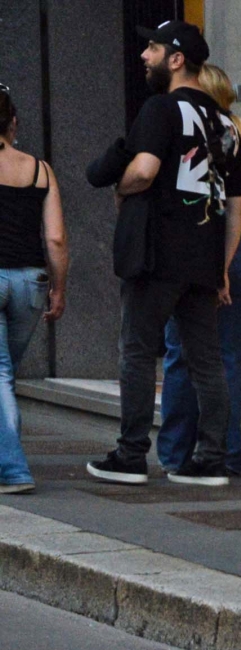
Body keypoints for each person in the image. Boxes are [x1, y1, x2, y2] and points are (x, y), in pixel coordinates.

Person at [89, 20, 241, 490]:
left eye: (152, 48)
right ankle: (211, 458)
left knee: (137, 350)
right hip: (203, 260)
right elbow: (236, 206)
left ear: (176, 59)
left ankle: (131, 454)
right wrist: (222, 267)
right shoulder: (227, 124)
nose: (144, 56)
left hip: (157, 255)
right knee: (206, 360)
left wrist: (122, 186)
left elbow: (143, 170)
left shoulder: (161, 109)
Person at [155, 64, 241, 481]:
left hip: (199, 252)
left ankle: (176, 452)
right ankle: (225, 454)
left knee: (181, 355)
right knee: (228, 359)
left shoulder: (189, 143)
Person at [0, 82, 66, 495]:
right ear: (14, 123)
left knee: (1, 373)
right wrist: (58, 289)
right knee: (6, 372)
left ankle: (13, 469)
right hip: (30, 281)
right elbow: (56, 238)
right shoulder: (41, 169)